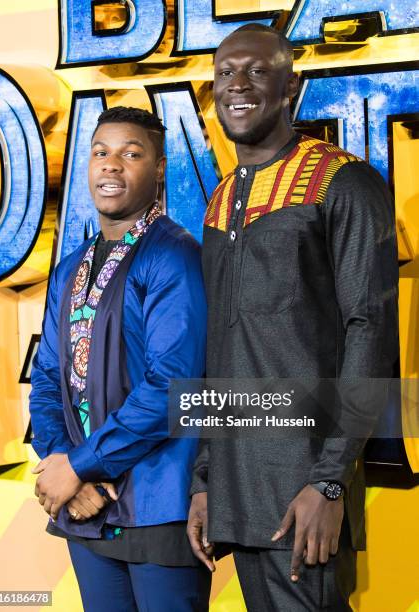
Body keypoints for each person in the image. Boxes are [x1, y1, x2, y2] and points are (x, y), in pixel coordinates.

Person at [187, 24, 399, 611]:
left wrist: (330, 480)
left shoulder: (342, 180)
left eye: (257, 70)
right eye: (225, 73)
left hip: (304, 490)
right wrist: (206, 477)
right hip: (235, 487)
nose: (238, 85)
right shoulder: (220, 198)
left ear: (291, 86)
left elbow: (369, 331)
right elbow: (221, 349)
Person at [29, 106, 210, 612]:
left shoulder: (174, 255)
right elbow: (47, 376)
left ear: (158, 168)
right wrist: (62, 464)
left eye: (131, 153)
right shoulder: (70, 267)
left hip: (158, 501)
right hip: (85, 505)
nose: (111, 165)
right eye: (100, 153)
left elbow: (172, 386)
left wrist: (81, 465)